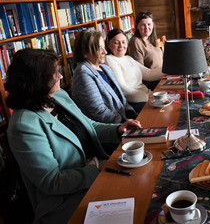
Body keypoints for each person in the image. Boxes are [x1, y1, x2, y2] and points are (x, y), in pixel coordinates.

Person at [6, 49, 141, 223]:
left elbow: (90, 126)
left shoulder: (59, 96)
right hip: (67, 199)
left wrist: (118, 129)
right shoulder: (24, 125)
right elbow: (51, 181)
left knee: (143, 181)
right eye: (54, 73)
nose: (61, 76)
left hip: (96, 172)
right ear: (37, 80)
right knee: (137, 201)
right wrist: (97, 169)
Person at [71, 29, 137, 123]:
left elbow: (122, 100)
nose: (105, 52)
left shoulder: (105, 68)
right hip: (111, 128)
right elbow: (99, 112)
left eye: (104, 47)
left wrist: (132, 114)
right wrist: (125, 122)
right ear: (85, 53)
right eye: (99, 48)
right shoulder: (83, 74)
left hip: (123, 120)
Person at [105, 29, 164, 113]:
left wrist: (169, 68)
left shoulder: (128, 58)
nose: (121, 46)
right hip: (135, 102)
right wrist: (149, 97)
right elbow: (123, 90)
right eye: (116, 42)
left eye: (123, 42)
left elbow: (148, 73)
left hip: (146, 95)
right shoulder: (109, 60)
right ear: (108, 44)